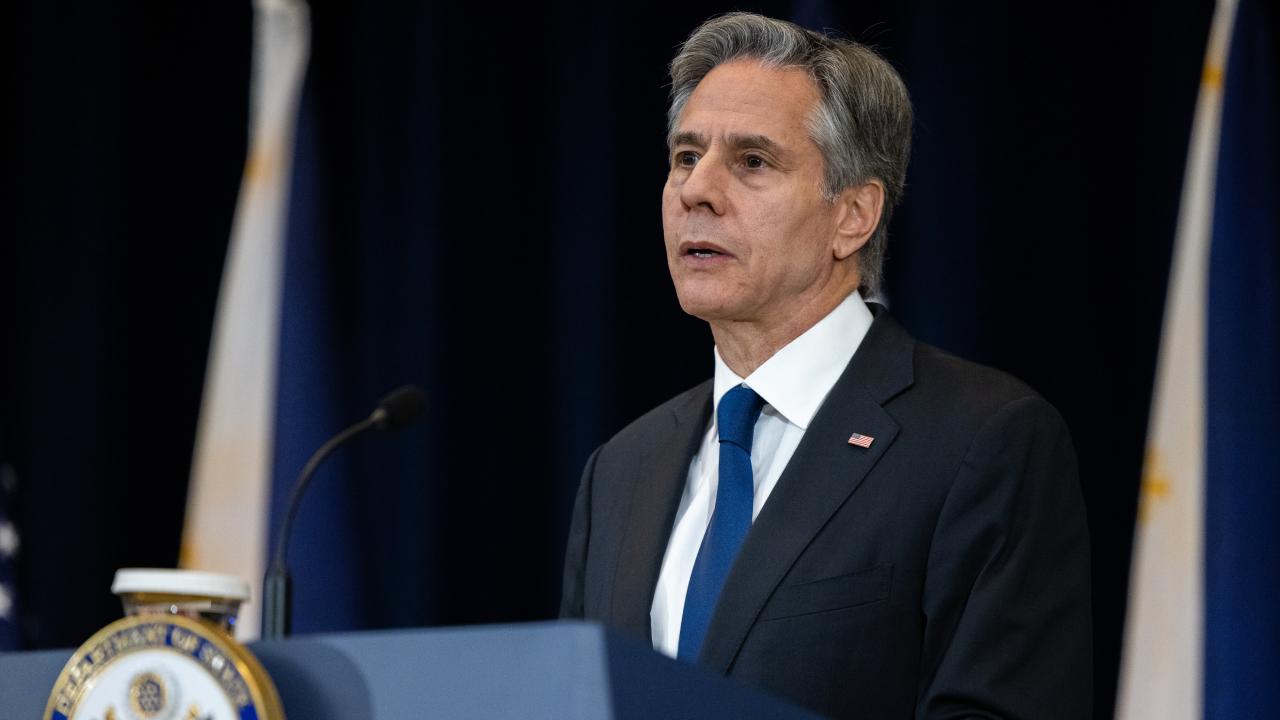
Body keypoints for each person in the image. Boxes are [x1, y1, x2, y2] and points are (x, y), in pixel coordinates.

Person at [559, 12, 1091, 719]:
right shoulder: (621, 470)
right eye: (686, 156)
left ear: (854, 215)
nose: (696, 190)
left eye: (752, 161)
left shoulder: (983, 441)